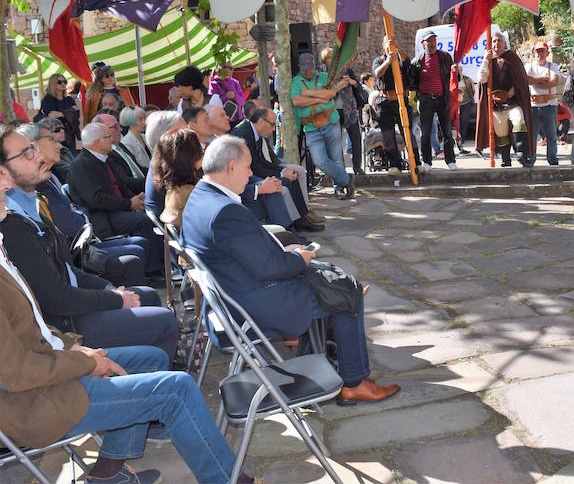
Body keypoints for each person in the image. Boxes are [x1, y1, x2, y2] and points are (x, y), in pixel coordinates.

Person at [0, 164, 260, 484]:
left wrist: (71, 345)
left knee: (150, 358)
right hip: (31, 402)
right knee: (176, 390)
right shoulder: (11, 236)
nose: (8, 181)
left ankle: (109, 472)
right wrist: (81, 361)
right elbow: (15, 373)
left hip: (50, 370)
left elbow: (34, 327)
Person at [180, 135, 400, 405]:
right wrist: (300, 260)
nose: (251, 175)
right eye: (248, 168)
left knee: (332, 282)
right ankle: (353, 381)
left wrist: (286, 254)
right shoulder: (223, 211)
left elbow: (244, 254)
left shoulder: (200, 197)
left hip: (236, 292)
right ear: (231, 167)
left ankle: (324, 369)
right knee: (345, 291)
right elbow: (269, 267)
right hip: (254, 303)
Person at [0, 124, 178, 361]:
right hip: (64, 325)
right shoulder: (12, 224)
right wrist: (115, 299)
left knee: (148, 295)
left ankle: (152, 373)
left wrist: (109, 290)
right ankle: (147, 383)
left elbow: (67, 270)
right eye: (27, 153)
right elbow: (55, 299)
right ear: (2, 172)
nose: (39, 156)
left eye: (33, 148)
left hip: (70, 307)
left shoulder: (32, 204)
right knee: (163, 321)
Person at [20, 122, 150, 285]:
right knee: (135, 253)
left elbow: (122, 184)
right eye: (51, 139)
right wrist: (128, 204)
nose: (59, 145)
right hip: (84, 244)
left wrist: (133, 200)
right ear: (33, 146)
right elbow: (74, 222)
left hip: (86, 238)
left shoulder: (50, 178)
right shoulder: (39, 184)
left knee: (138, 246)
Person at [67, 123, 162, 270]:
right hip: (102, 216)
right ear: (97, 142)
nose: (113, 139)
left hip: (117, 209)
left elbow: (122, 185)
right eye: (108, 136)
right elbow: (96, 199)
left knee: (155, 211)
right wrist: (129, 204)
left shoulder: (106, 158)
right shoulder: (81, 165)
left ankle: (162, 263)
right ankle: (153, 269)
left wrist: (136, 199)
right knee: (143, 221)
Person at [232, 108, 326, 230]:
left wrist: (280, 169)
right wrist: (281, 174)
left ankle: (302, 217)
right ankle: (294, 223)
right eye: (272, 124)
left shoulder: (255, 132)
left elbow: (261, 162)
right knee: (285, 181)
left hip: (253, 173)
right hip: (248, 178)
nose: (273, 129)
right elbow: (254, 168)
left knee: (293, 174)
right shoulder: (243, 134)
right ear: (260, 121)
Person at [291, 53, 355, 199]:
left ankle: (339, 187)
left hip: (330, 122)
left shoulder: (324, 77)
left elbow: (330, 95)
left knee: (336, 157)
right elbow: (296, 102)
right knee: (320, 161)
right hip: (311, 128)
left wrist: (308, 94)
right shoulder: (296, 82)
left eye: (311, 68)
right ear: (300, 67)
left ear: (315, 66)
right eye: (305, 69)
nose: (309, 72)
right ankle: (347, 180)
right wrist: (321, 96)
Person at [475, 32, 535, 167]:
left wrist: (514, 88)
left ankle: (521, 154)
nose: (496, 44)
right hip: (497, 104)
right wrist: (485, 60)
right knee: (500, 132)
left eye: (499, 41)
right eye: (494, 41)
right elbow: (481, 79)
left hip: (513, 102)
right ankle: (506, 159)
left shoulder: (512, 58)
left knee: (519, 119)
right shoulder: (488, 60)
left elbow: (521, 79)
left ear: (504, 43)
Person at [372, 35, 422, 176]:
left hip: (402, 101)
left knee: (407, 134)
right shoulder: (379, 60)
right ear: (383, 46)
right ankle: (395, 165)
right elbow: (377, 73)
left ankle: (416, 163)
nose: (390, 45)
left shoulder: (401, 58)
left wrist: (397, 48)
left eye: (393, 43)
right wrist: (388, 62)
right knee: (388, 135)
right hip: (385, 101)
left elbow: (407, 64)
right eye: (387, 43)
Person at [407, 30, 457, 171]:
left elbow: (454, 79)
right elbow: (412, 83)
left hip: (442, 99)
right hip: (426, 100)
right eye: (429, 41)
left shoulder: (445, 57)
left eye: (434, 40)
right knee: (426, 133)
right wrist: (420, 95)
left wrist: (457, 71)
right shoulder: (416, 62)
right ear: (423, 43)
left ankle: (450, 161)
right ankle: (427, 162)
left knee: (447, 132)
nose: (432, 43)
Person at [321, 48, 364, 175]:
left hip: (349, 110)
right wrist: (337, 84)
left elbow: (359, 87)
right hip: (332, 112)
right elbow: (323, 91)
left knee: (356, 138)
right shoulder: (323, 73)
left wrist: (352, 82)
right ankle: (340, 169)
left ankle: (357, 167)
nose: (334, 60)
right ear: (325, 60)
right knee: (335, 143)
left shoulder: (347, 70)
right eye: (330, 57)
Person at [154, 129, 203, 230]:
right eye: (199, 145)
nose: (203, 148)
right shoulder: (192, 194)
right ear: (190, 155)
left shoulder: (173, 189)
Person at [525, 40, 561, 166]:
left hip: (549, 105)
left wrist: (534, 81)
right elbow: (527, 80)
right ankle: (531, 159)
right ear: (534, 53)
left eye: (542, 51)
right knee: (532, 136)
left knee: (551, 135)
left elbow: (553, 82)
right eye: (537, 51)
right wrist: (542, 79)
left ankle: (552, 159)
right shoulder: (528, 66)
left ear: (547, 53)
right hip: (533, 106)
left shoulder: (554, 66)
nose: (540, 53)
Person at [93, 113, 147, 179]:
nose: (120, 129)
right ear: (101, 131)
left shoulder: (119, 145)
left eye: (119, 125)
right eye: (115, 127)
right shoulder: (106, 153)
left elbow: (138, 169)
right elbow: (125, 182)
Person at [39, 73, 80, 151]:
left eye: (65, 81)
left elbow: (76, 114)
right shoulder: (48, 99)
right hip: (55, 134)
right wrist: (68, 113)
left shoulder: (69, 99)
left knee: (70, 157)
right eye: (59, 82)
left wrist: (61, 114)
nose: (63, 84)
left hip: (69, 134)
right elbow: (51, 115)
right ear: (53, 83)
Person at [39, 116, 77, 182]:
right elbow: (66, 171)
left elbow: (74, 166)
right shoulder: (48, 152)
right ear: (46, 132)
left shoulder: (64, 149)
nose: (62, 131)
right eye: (57, 129)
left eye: (62, 128)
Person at [119, 105, 152, 170]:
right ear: (130, 121)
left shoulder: (145, 137)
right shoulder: (126, 142)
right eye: (140, 119)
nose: (144, 122)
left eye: (144, 118)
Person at [455, 64, 476, 153]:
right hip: (455, 105)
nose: (457, 71)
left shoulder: (467, 79)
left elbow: (473, 90)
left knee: (464, 123)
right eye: (456, 70)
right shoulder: (451, 80)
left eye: (459, 70)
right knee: (455, 125)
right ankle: (456, 144)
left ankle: (461, 143)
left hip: (466, 104)